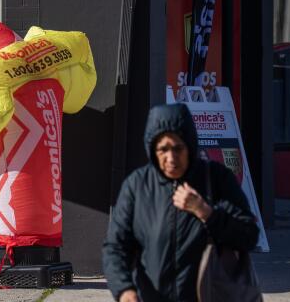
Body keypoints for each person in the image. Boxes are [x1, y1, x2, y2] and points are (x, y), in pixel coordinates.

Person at [102, 103, 259, 302]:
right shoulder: (137, 186)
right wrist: (124, 290)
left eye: (178, 148)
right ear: (152, 149)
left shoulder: (216, 179)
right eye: (163, 149)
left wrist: (205, 212)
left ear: (190, 146)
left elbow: (249, 235)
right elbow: (115, 247)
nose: (171, 158)